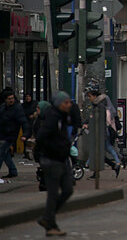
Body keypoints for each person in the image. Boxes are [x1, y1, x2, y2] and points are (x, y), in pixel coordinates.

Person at [35, 92, 74, 237]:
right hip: (52, 160)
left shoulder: (64, 116)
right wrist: (55, 149)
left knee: (68, 189)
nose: (69, 105)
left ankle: (48, 218)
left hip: (61, 159)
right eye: (66, 102)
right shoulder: (53, 117)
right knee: (52, 193)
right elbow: (41, 137)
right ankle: (50, 222)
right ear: (59, 104)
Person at [85, 88, 123, 178]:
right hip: (101, 132)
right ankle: (116, 163)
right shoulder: (98, 105)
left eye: (90, 96)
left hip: (100, 133)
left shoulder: (99, 106)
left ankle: (89, 165)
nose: (89, 98)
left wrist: (88, 124)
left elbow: (98, 120)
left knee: (98, 150)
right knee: (104, 149)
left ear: (95, 96)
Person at [0, 89, 29, 178]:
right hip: (3, 133)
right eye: (9, 99)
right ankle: (13, 170)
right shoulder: (3, 107)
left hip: (10, 135)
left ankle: (13, 170)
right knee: (5, 153)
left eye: (12, 98)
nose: (11, 100)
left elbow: (24, 122)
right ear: (5, 100)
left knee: (1, 152)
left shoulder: (17, 108)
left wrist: (25, 134)